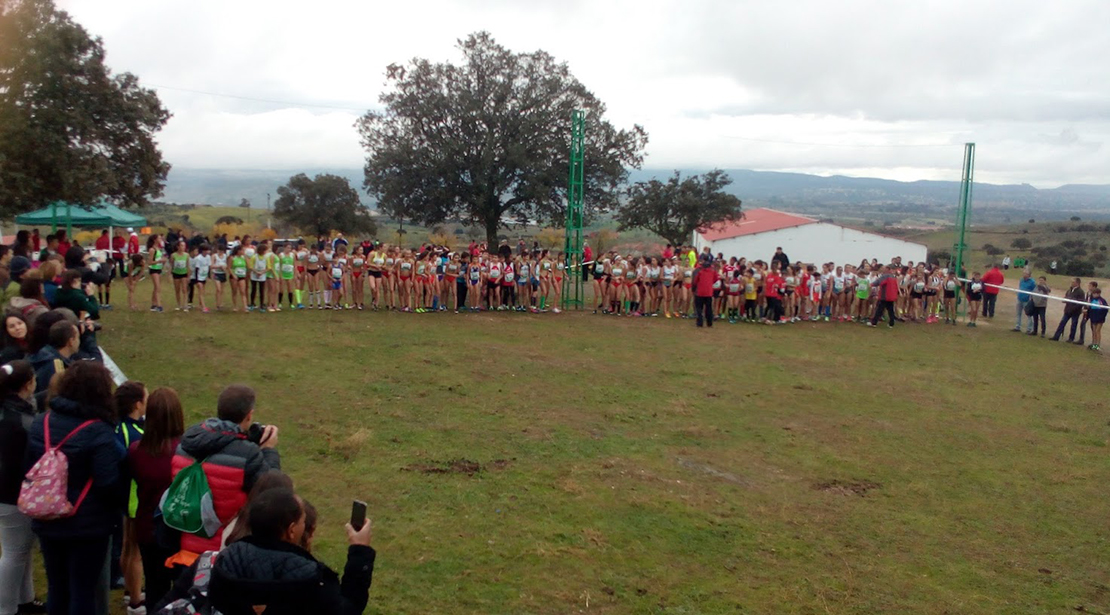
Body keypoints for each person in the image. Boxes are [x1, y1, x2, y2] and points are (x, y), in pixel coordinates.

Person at [25, 362, 124, 615]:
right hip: (87, 526)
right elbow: (107, 482)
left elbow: (30, 466)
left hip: (47, 517)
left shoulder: (41, 422)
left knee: (57, 586)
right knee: (83, 591)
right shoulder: (98, 431)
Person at [208, 488, 375, 615]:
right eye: (303, 520)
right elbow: (348, 609)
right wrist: (360, 550)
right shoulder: (309, 578)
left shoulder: (227, 560)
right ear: (292, 531)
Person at [167, 384, 281, 567]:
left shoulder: (185, 446)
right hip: (223, 553)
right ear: (249, 415)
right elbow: (273, 494)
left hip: (184, 548)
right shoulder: (246, 454)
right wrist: (268, 452)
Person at [127, 387, 184, 609]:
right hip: (179, 530)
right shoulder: (186, 452)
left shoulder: (136, 451)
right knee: (181, 588)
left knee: (155, 587)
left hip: (148, 528)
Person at [0, 361, 45, 615]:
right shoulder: (19, 422)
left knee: (21, 550)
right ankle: (6, 607)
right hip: (12, 495)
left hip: (10, 493)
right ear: (28, 384)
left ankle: (25, 600)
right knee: (14, 554)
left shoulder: (11, 413)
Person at [113, 382, 146, 615]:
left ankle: (128, 590)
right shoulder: (133, 433)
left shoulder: (120, 426)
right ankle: (135, 602)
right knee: (134, 550)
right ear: (137, 404)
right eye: (145, 398)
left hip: (124, 495)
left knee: (127, 545)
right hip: (134, 497)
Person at [28, 320, 81, 398]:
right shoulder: (54, 366)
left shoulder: (44, 355)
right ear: (71, 341)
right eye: (78, 338)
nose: (79, 341)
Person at [1051, 278, 1086, 342]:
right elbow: (1066, 297)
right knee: (1062, 323)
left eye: (1073, 282)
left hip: (1075, 312)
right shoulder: (1069, 290)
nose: (1071, 283)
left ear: (1077, 283)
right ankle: (1056, 336)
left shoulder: (1081, 292)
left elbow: (1080, 303)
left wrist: (1073, 308)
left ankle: (1071, 338)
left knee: (1073, 325)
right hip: (1067, 310)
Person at [690, 256, 718, 328]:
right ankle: (709, 323)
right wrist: (710, 283)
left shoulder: (700, 272)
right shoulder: (712, 272)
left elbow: (695, 281)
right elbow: (716, 278)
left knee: (699, 308)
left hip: (700, 292)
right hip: (708, 292)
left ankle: (700, 322)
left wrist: (695, 287)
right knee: (708, 308)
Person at [1075, 281, 1099, 347]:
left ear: (1094, 287)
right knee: (1082, 324)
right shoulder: (1088, 293)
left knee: (1093, 327)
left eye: (1090, 286)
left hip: (1093, 312)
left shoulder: (1096, 294)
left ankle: (1094, 342)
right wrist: (1084, 308)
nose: (1089, 287)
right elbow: (1086, 301)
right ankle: (1081, 339)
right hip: (1086, 311)